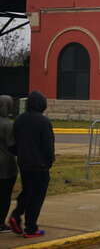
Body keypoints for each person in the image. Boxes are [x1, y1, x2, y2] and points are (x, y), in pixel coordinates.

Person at [8, 91, 54, 239]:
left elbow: (13, 143)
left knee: (27, 191)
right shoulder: (44, 122)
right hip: (40, 166)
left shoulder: (19, 120)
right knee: (36, 197)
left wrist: (20, 154)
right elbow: (48, 146)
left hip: (24, 163)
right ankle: (30, 228)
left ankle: (16, 215)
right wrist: (49, 161)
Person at [0, 95, 16, 234]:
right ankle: (0, 223)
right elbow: (12, 145)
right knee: (5, 195)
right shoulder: (8, 124)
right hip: (6, 165)